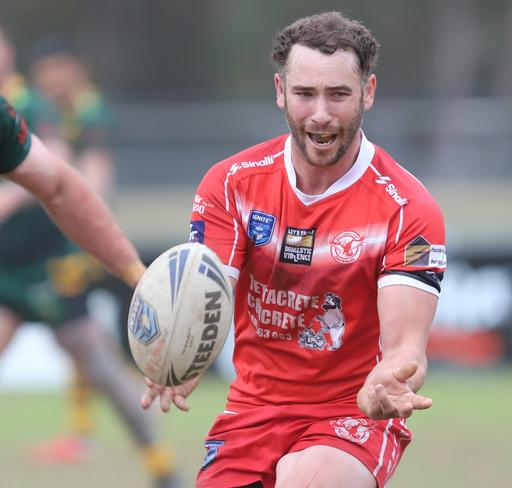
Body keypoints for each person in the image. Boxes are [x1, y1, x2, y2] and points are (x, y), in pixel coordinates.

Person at [142, 11, 446, 488]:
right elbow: (206, 294)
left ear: (367, 92)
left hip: (353, 414)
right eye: (305, 94)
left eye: (338, 94)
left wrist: (388, 380)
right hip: (251, 412)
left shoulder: (408, 207)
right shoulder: (231, 185)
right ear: (280, 91)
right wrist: (181, 353)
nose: (320, 114)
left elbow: (407, 344)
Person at [0, 37, 181, 488]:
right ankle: (81, 435)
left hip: (50, 262)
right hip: (4, 268)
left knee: (95, 360)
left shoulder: (28, 105)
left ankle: (161, 465)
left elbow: (62, 170)